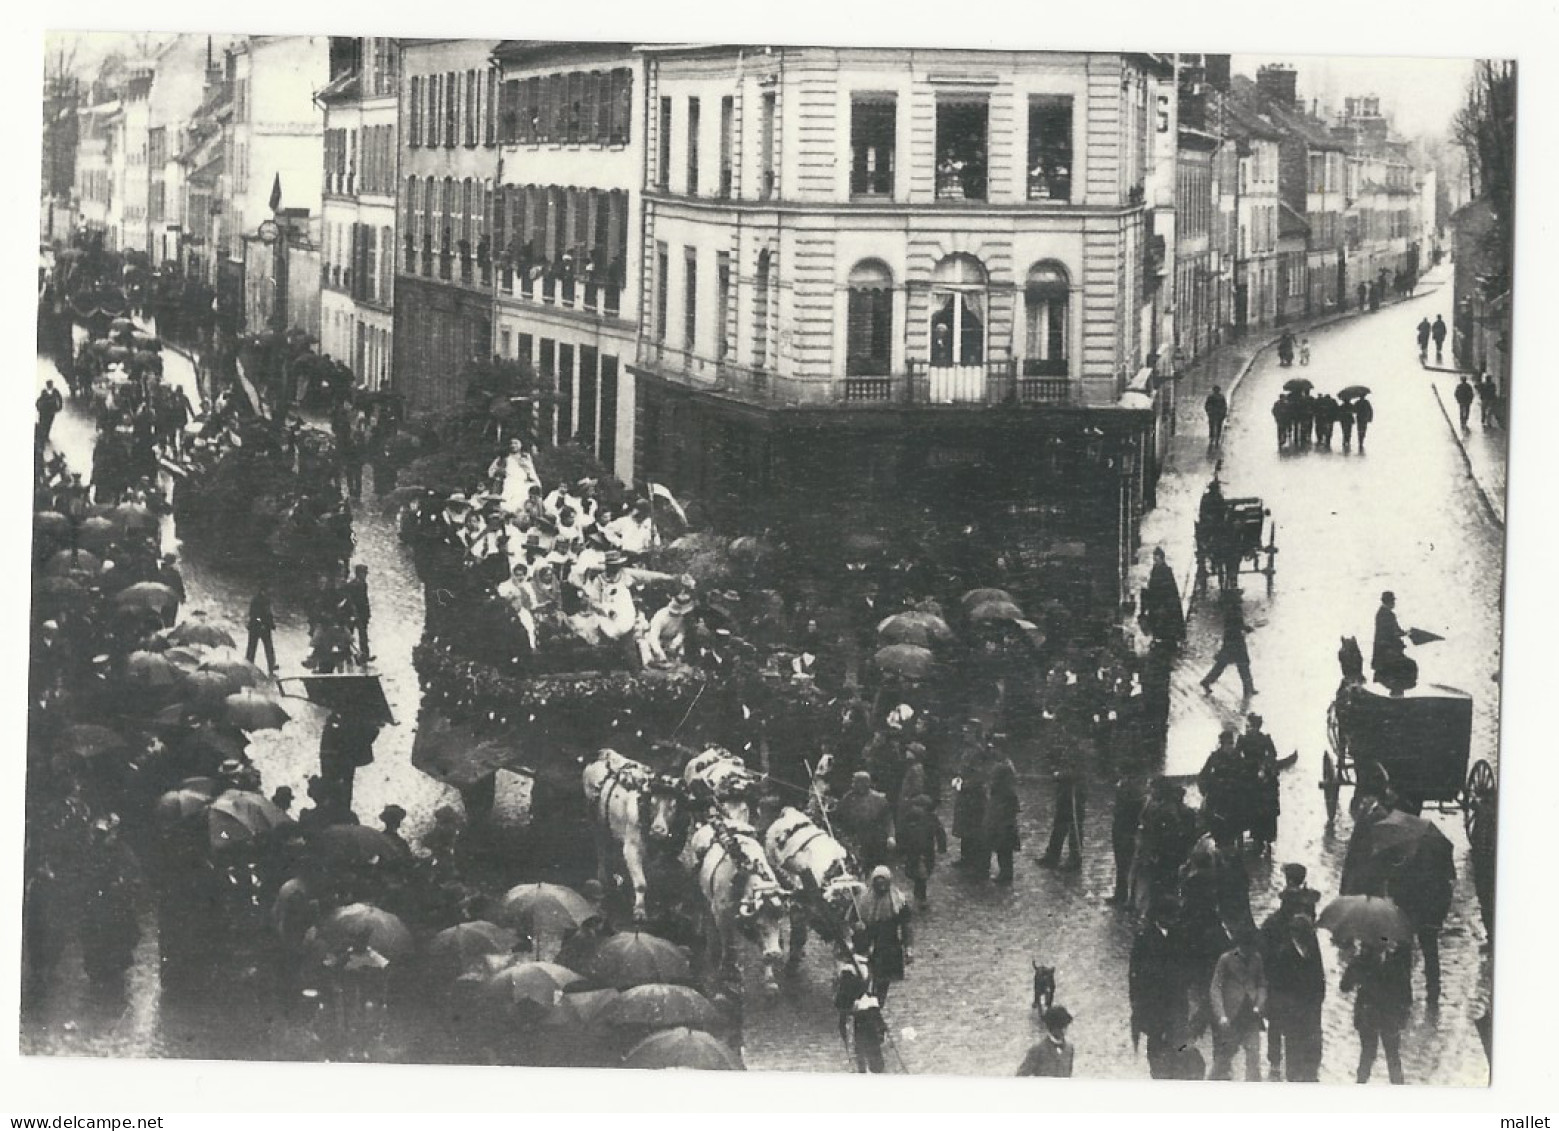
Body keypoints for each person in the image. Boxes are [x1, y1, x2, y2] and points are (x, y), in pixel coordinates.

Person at [1264, 914, 1325, 1082]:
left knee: (1313, 1048)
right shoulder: (1284, 953)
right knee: (1294, 1049)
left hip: (1311, 1010)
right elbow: (1279, 983)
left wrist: (1318, 1000)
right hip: (1294, 1012)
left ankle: (1311, 1075)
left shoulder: (1312, 949)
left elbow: (1320, 976)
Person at [1341, 940, 1412, 1084]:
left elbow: (1345, 986)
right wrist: (1403, 1015)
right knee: (1391, 1056)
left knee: (1368, 1055)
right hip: (1387, 1016)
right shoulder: (1395, 962)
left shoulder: (1361, 962)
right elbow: (1406, 993)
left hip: (1369, 1014)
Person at [1130, 899, 1185, 1076]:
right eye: (1171, 916)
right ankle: (1157, 1075)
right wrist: (1136, 1001)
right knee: (1156, 1042)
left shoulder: (1179, 935)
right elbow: (1135, 972)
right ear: (1160, 916)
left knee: (1176, 1043)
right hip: (1153, 1002)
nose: (1175, 919)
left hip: (1176, 1000)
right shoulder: (1144, 938)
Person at [1209, 925, 1267, 1081]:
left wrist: (1259, 1005)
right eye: (1245, 947)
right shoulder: (1226, 960)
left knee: (1254, 1057)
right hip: (1232, 1016)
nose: (1249, 951)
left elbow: (1262, 984)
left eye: (1251, 947)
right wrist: (1221, 1015)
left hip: (1251, 1017)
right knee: (1223, 1059)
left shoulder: (1257, 958)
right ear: (1239, 945)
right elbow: (1215, 988)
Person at [855, 866, 912, 1005]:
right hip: (867, 945)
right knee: (865, 977)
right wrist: (857, 926)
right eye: (877, 882)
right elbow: (853, 920)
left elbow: (906, 926)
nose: (881, 887)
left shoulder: (898, 902)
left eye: (884, 882)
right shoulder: (864, 901)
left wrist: (908, 948)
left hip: (888, 947)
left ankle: (877, 1005)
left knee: (882, 982)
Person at [835, 772, 897, 873]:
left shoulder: (879, 800)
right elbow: (839, 818)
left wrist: (891, 836)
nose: (852, 785)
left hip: (875, 842)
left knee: (876, 870)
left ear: (864, 784)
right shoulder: (848, 798)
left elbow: (888, 820)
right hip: (855, 841)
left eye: (855, 782)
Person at [1237, 713, 1280, 854]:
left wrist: (1264, 768)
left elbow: (1272, 755)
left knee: (1264, 808)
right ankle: (1258, 838)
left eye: (1252, 726)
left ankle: (1264, 838)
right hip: (1249, 775)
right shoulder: (1244, 739)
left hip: (1259, 777)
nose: (1251, 729)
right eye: (1250, 726)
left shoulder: (1264, 739)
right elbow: (1237, 756)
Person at [1200, 591, 1257, 697]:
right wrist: (1247, 628)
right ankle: (1249, 688)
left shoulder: (1230, 610)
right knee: (1243, 664)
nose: (1241, 599)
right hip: (1236, 641)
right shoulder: (1235, 610)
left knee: (1222, 664)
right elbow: (1238, 625)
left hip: (1231, 640)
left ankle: (1207, 681)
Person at [897, 795, 946, 907]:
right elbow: (901, 833)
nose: (916, 809)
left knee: (924, 873)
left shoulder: (932, 818)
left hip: (927, 851)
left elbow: (940, 832)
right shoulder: (909, 817)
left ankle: (920, 894)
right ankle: (919, 894)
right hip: (912, 851)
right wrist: (901, 849)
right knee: (918, 874)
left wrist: (941, 846)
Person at [1039, 759, 1085, 871]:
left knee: (1074, 832)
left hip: (1074, 802)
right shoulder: (1067, 752)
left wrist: (1059, 774)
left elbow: (1075, 774)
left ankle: (1075, 860)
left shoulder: (1079, 754)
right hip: (1064, 800)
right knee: (1058, 830)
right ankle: (1052, 857)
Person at [1108, 776, 1146, 906]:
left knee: (1127, 865)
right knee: (1121, 864)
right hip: (1120, 829)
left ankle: (1127, 897)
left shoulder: (1135, 793)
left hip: (1127, 832)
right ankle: (1121, 894)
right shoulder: (1126, 787)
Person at [1371, 590, 1415, 692]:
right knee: (1405, 668)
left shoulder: (1381, 613)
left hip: (1383, 650)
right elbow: (1393, 632)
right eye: (1393, 601)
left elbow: (1392, 631)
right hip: (1388, 651)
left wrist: (1403, 633)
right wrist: (1406, 633)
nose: (1394, 604)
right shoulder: (1388, 614)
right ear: (1389, 602)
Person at [985, 759, 1020, 884]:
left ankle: (1006, 875)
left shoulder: (1005, 793)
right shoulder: (1006, 791)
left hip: (1003, 825)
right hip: (1003, 824)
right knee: (1004, 850)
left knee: (1004, 850)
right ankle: (1005, 874)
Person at [1141, 547, 1185, 647]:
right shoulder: (1154, 570)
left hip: (1164, 602)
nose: (1155, 561)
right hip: (1156, 601)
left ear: (1162, 558)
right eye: (1154, 559)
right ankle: (1158, 638)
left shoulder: (1166, 571)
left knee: (1164, 621)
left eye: (1157, 559)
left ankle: (1166, 639)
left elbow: (1170, 589)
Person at [1016, 1006, 1075, 1077]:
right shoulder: (1038, 1050)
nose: (1064, 1030)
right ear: (1051, 1028)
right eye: (1060, 1027)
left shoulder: (1069, 1049)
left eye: (1065, 1026)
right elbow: (1020, 1076)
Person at [642, 588, 695, 667]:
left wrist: (674, 644)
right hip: (657, 640)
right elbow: (653, 637)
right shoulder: (661, 616)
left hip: (670, 641)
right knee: (646, 647)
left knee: (680, 653)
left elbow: (681, 632)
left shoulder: (682, 617)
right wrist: (660, 652)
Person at [246, 582, 278, 674]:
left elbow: (268, 614)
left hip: (263, 627)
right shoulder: (256, 600)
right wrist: (261, 622)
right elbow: (254, 614)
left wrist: (271, 624)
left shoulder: (266, 600)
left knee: (268, 647)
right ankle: (249, 665)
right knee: (253, 648)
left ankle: (271, 666)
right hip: (256, 627)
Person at [344, 564, 372, 663]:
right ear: (358, 574)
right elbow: (349, 600)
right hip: (353, 613)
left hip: (362, 614)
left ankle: (365, 655)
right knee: (349, 635)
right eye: (363, 573)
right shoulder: (351, 585)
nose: (365, 576)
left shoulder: (364, 584)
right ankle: (348, 655)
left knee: (363, 636)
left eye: (365, 574)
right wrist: (352, 613)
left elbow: (365, 600)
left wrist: (368, 613)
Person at [156, 553, 186, 629]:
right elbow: (179, 586)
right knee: (170, 619)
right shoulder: (175, 573)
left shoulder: (160, 572)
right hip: (172, 599)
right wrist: (182, 597)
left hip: (163, 599)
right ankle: (168, 631)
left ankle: (165, 630)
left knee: (164, 617)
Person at [36, 380, 64, 449]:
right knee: (43, 423)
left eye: (50, 384)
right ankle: (43, 435)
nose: (50, 385)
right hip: (44, 411)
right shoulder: (44, 391)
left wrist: (59, 407)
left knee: (49, 423)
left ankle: (46, 435)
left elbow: (60, 398)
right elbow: (40, 400)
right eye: (49, 384)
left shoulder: (55, 391)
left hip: (51, 411)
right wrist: (38, 408)